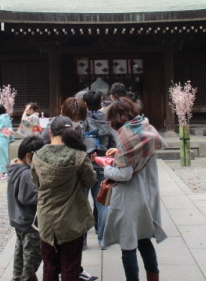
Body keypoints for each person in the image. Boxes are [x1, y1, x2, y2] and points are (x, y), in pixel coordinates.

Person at [100, 97, 167, 281]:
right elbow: (138, 153)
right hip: (148, 192)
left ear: (117, 117)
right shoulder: (146, 127)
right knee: (144, 240)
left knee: (128, 245)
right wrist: (118, 152)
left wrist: (105, 167)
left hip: (130, 198)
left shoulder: (125, 137)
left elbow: (124, 174)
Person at [31, 116, 97, 281]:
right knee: (70, 267)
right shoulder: (79, 156)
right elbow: (90, 181)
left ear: (50, 131)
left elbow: (37, 182)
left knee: (50, 267)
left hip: (47, 220)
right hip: (72, 220)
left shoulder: (38, 155)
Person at [7, 136, 45, 281]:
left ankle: (17, 278)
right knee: (30, 261)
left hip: (18, 220)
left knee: (20, 256)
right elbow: (28, 197)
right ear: (29, 156)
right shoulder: (25, 173)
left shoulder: (14, 168)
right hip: (30, 224)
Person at [82, 90, 116, 249]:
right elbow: (113, 142)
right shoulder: (107, 120)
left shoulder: (82, 120)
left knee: (82, 204)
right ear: (101, 102)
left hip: (84, 164)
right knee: (102, 203)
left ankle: (82, 242)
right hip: (102, 163)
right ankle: (102, 239)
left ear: (85, 103)